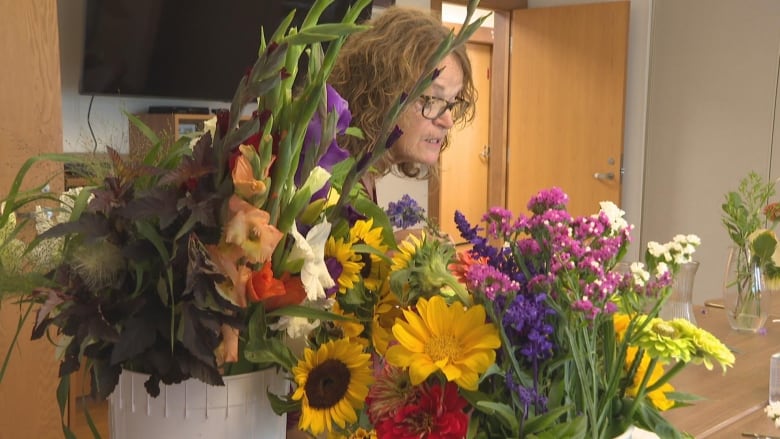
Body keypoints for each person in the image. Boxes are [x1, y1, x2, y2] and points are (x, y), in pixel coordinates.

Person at [328, 6, 477, 202]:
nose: (447, 121)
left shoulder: (361, 175)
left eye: (451, 102)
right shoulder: (329, 183)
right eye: (434, 100)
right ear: (382, 92)